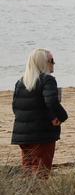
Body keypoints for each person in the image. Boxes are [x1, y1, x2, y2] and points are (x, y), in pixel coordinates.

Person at [11, 48, 68, 176]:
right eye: (51, 60)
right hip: (42, 134)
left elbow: (15, 107)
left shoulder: (21, 82)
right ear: (43, 62)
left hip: (22, 135)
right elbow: (52, 102)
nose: (54, 63)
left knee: (28, 170)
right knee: (41, 171)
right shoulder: (47, 80)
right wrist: (61, 116)